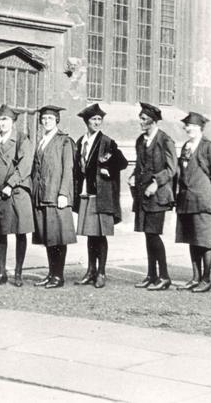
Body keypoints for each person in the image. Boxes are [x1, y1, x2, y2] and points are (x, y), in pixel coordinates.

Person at [73, 103, 128, 289]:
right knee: (90, 234)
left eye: (99, 119)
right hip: (87, 194)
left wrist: (107, 169)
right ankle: (90, 271)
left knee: (101, 235)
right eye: (93, 119)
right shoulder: (81, 142)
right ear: (86, 122)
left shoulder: (107, 142)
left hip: (102, 196)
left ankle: (101, 272)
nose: (97, 122)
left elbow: (122, 162)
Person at [0, 104, 34, 288]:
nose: (2, 123)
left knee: (20, 233)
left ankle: (18, 273)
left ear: (13, 122)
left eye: (6, 120)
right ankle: (1, 272)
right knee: (0, 233)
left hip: (17, 193)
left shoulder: (21, 139)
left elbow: (25, 166)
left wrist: (10, 184)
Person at [129, 102, 177, 291]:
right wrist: (133, 176)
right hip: (142, 195)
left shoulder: (166, 141)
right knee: (148, 236)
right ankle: (151, 275)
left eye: (144, 119)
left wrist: (156, 183)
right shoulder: (140, 141)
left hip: (158, 196)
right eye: (140, 119)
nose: (140, 122)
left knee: (154, 235)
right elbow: (140, 165)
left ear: (153, 121)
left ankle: (164, 276)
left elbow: (171, 169)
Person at [175, 112, 211, 293]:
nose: (190, 129)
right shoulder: (186, 146)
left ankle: (206, 279)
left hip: (203, 200)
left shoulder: (208, 147)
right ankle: (195, 277)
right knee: (191, 239)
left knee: (204, 241)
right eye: (187, 126)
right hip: (187, 200)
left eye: (194, 126)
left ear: (201, 128)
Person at [32, 105, 76, 289]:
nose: (46, 121)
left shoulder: (64, 141)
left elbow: (68, 169)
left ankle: (59, 276)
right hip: (42, 195)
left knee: (58, 237)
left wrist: (63, 193)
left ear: (57, 120)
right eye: (43, 119)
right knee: (48, 237)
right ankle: (51, 273)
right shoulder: (41, 141)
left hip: (56, 195)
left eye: (50, 118)